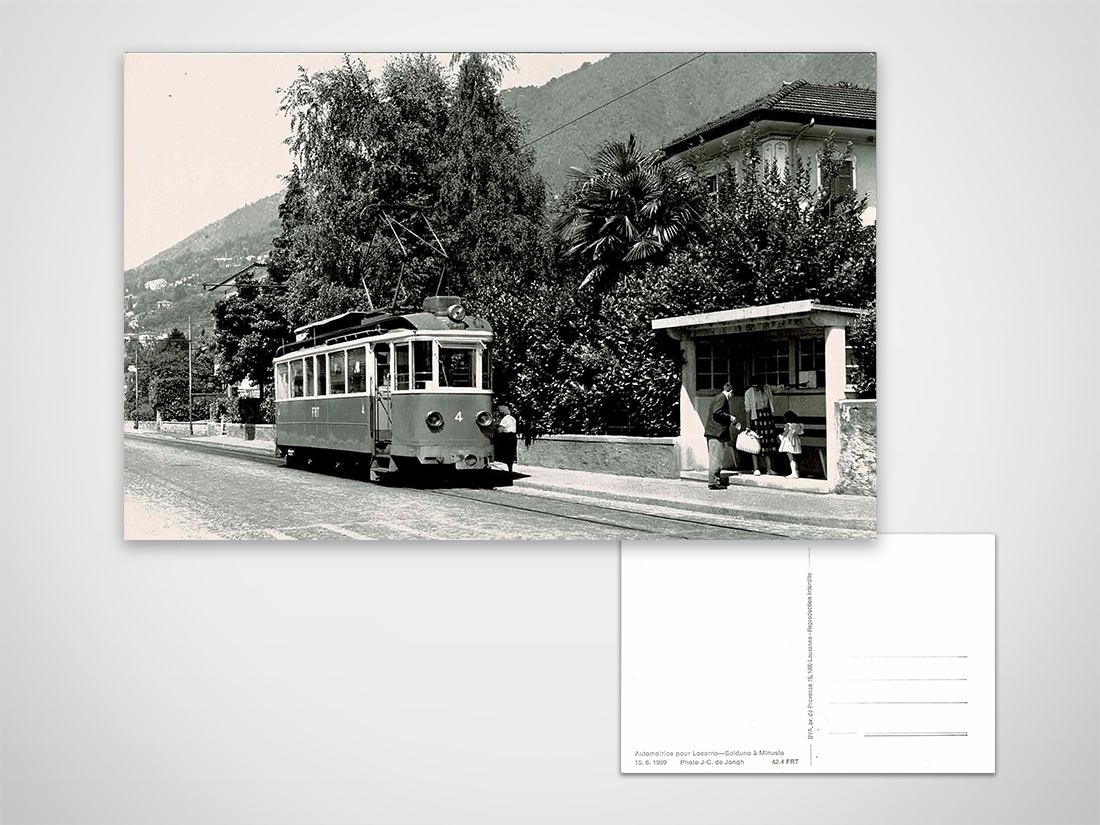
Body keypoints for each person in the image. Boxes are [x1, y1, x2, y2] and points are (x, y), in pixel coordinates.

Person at [704, 383, 742, 490]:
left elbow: (718, 414)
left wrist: (734, 423)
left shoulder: (718, 397)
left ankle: (714, 480)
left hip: (714, 432)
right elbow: (717, 412)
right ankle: (714, 482)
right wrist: (730, 417)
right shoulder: (722, 398)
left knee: (715, 457)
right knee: (716, 458)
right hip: (716, 433)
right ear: (731, 392)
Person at [744, 375, 781, 476]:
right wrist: (748, 426)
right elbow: (747, 409)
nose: (756, 388)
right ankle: (756, 468)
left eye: (757, 386)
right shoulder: (748, 393)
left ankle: (769, 468)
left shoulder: (767, 388)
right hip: (756, 418)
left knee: (768, 443)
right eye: (754, 386)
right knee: (755, 443)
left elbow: (778, 389)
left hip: (767, 416)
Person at [778, 409, 805, 479]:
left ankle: (793, 473)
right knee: (795, 458)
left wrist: (780, 436)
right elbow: (800, 433)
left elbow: (784, 434)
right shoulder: (798, 425)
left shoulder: (788, 425)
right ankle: (796, 471)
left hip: (789, 442)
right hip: (795, 441)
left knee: (791, 458)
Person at [496, 405, 518, 474]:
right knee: (511, 454)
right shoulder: (513, 418)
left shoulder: (505, 419)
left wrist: (495, 428)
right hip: (513, 436)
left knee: (507, 453)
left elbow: (500, 430)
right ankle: (510, 469)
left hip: (507, 437)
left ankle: (509, 470)